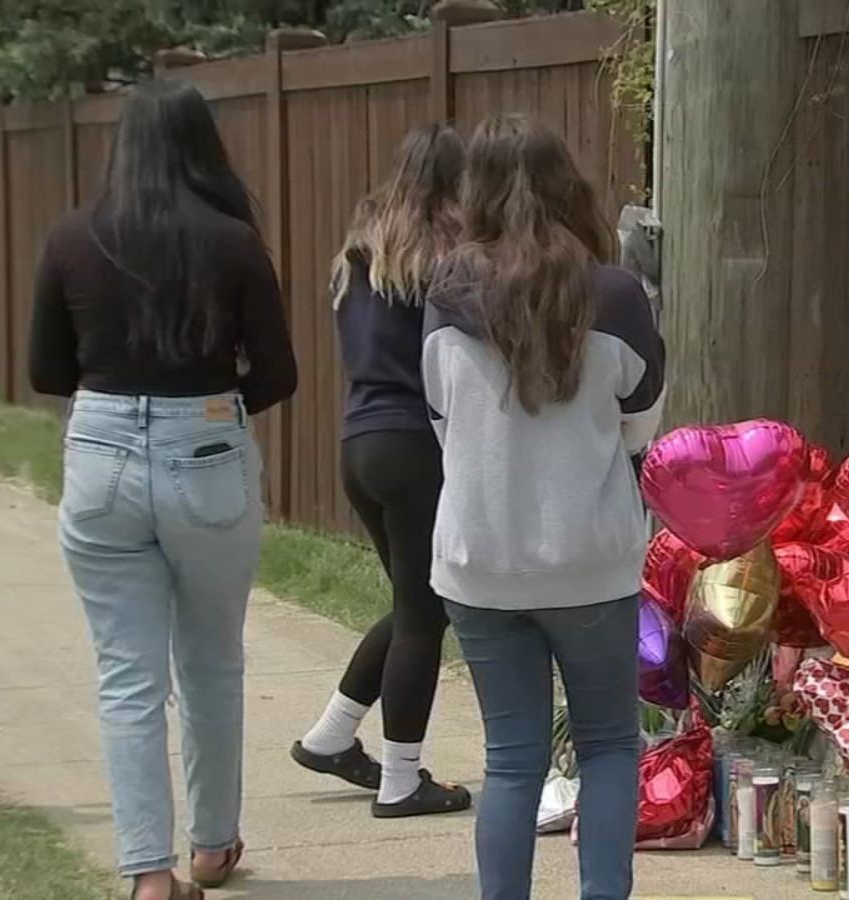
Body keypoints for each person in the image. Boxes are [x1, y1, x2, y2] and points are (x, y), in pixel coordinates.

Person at [28, 80, 296, 900]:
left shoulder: (72, 238)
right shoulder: (232, 241)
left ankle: (149, 871)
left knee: (126, 676)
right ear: (200, 146)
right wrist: (211, 413)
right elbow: (278, 374)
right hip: (207, 448)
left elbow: (47, 372)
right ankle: (213, 846)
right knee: (212, 660)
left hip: (103, 453)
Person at [423, 114, 665, 900]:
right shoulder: (618, 295)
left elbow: (440, 420)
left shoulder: (446, 295)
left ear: (476, 194)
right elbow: (641, 426)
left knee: (511, 756)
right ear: (571, 186)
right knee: (606, 747)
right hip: (590, 559)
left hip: (480, 561)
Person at [288, 122, 473, 818]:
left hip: (359, 444)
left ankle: (333, 735)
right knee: (426, 613)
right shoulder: (443, 258)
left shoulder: (358, 255)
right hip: (415, 446)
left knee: (413, 603)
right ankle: (402, 778)